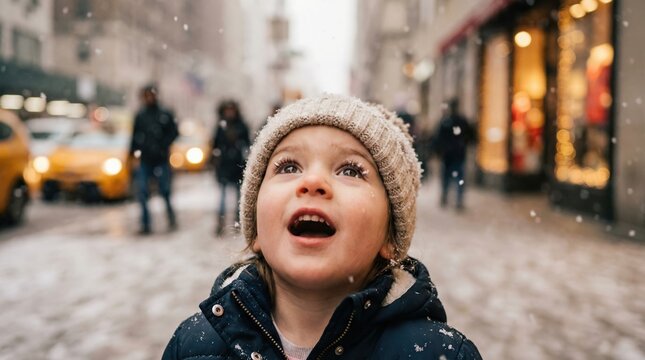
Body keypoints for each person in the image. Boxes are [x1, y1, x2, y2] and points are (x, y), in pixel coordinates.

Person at [162, 94, 481, 359]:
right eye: (289, 166)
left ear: (390, 238)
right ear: (257, 230)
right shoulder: (195, 346)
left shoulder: (440, 353)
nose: (312, 181)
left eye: (351, 171)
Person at [129, 84, 178, 235]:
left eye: (151, 95)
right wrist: (131, 154)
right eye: (146, 96)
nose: (149, 98)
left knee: (165, 191)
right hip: (145, 160)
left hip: (161, 160)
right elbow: (135, 137)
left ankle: (171, 218)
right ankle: (145, 225)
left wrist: (163, 144)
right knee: (142, 193)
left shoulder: (165, 114)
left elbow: (174, 132)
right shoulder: (140, 115)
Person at [211, 100, 251, 236]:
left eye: (232, 110)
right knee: (222, 197)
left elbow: (247, 145)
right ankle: (221, 223)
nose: (230, 113)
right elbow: (215, 145)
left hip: (237, 167)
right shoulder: (220, 127)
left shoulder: (241, 126)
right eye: (227, 110)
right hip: (224, 167)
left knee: (239, 197)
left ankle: (238, 221)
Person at [432, 98, 475, 210]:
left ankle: (447, 198)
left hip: (450, 154)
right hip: (457, 154)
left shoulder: (447, 121)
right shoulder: (459, 120)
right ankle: (456, 200)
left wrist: (439, 150)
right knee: (457, 178)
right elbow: (470, 136)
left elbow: (438, 138)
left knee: (448, 177)